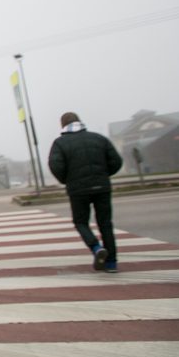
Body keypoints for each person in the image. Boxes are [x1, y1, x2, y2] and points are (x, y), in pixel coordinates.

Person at [48, 111, 123, 272]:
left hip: (78, 190)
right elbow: (116, 161)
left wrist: (66, 180)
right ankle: (111, 263)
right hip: (102, 187)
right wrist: (103, 174)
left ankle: (96, 248)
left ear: (63, 125)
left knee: (81, 222)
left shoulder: (60, 143)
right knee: (105, 224)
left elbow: (55, 166)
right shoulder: (98, 138)